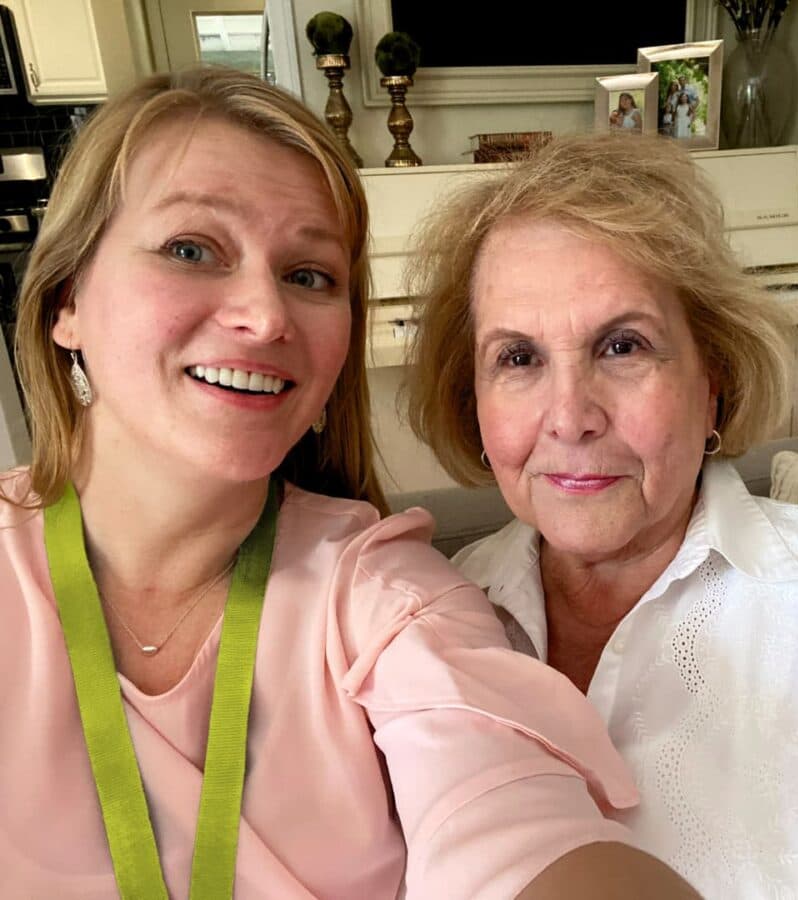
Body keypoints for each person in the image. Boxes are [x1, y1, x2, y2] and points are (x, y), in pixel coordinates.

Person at [0, 71, 700, 899]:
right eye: (192, 250)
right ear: (66, 299)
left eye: (310, 275)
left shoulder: (388, 599)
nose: (265, 316)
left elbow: (514, 822)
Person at [405, 132, 798, 898]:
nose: (570, 416)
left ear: (711, 378)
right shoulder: (427, 625)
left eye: (622, 345)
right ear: (473, 402)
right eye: (518, 358)